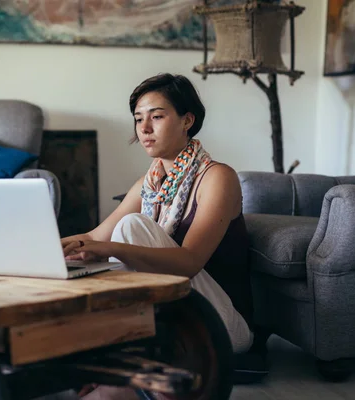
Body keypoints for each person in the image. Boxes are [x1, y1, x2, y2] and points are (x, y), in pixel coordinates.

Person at [61, 73, 255, 399]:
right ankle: (113, 356)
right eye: (138, 119)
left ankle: (117, 360)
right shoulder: (149, 184)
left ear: (187, 120)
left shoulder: (218, 178)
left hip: (220, 325)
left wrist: (110, 248)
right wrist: (44, 245)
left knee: (132, 226)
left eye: (157, 116)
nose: (144, 128)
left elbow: (190, 261)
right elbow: (94, 235)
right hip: (166, 320)